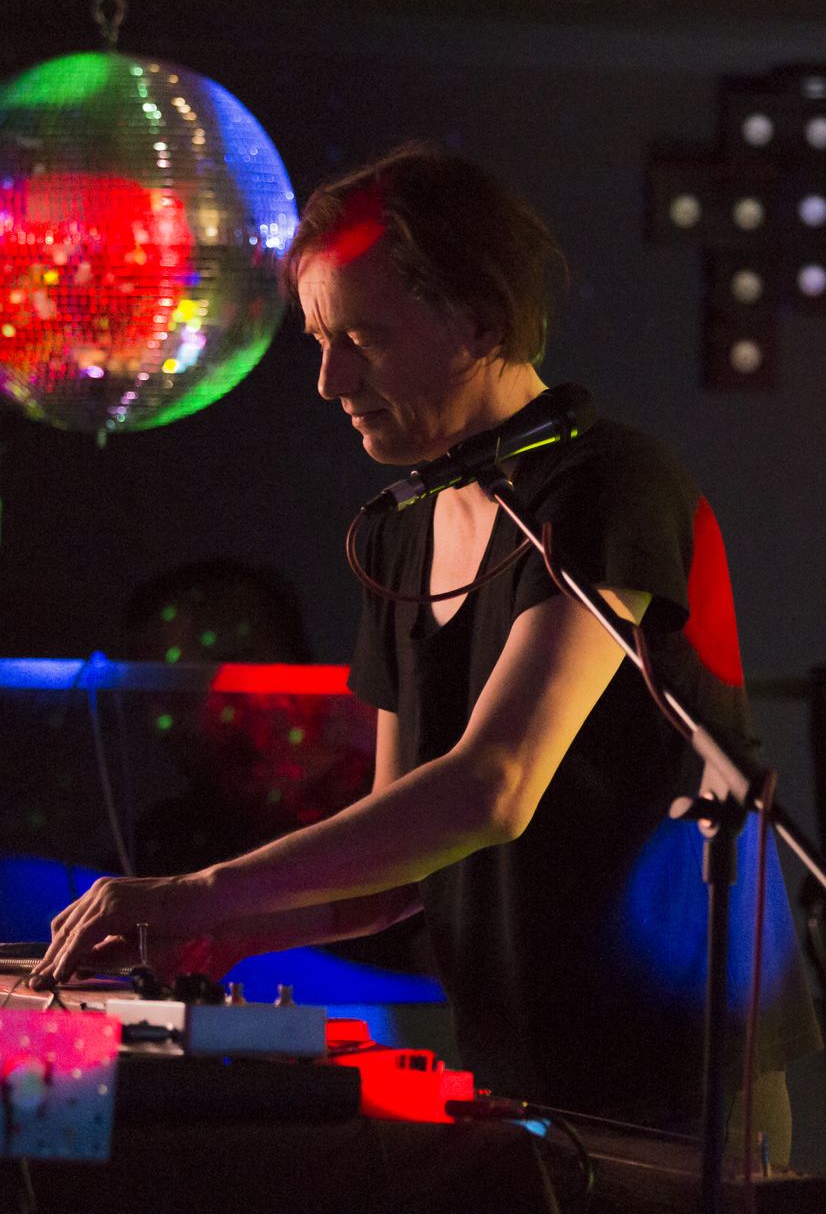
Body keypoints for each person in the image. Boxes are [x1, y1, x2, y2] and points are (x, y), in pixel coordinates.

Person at [30, 142, 821, 1157]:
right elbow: (394, 872)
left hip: (669, 1066)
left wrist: (197, 890)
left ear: (480, 320)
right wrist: (218, 935)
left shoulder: (609, 488)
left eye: (362, 338)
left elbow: (495, 787)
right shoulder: (400, 534)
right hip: (517, 1059)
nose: (329, 381)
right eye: (320, 342)